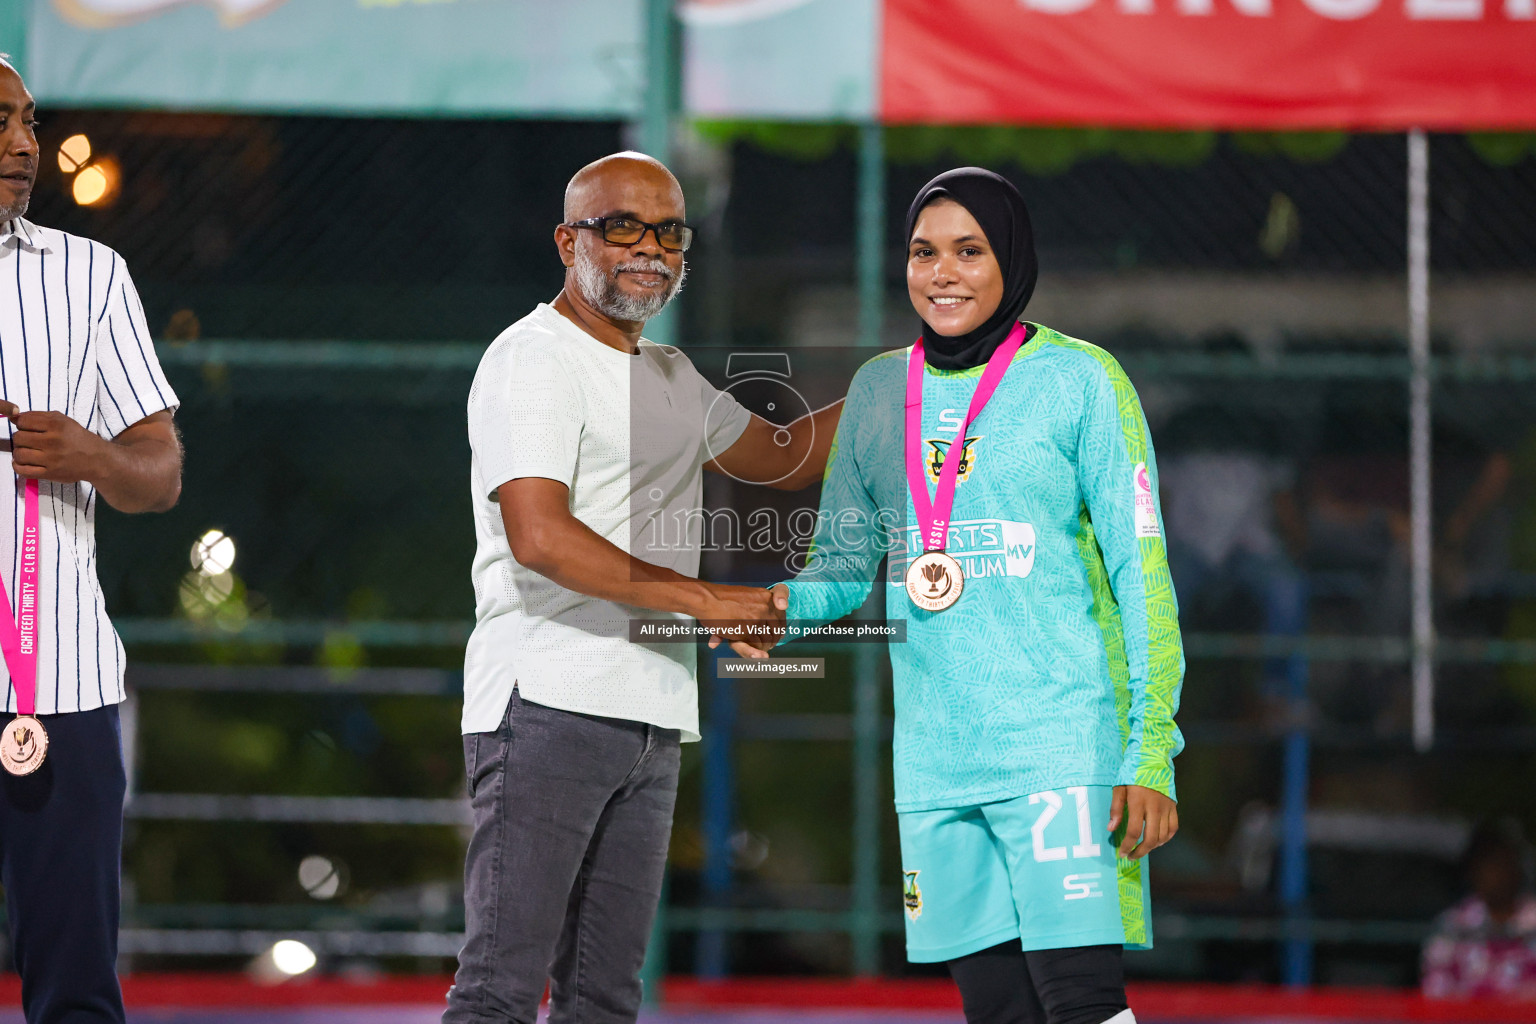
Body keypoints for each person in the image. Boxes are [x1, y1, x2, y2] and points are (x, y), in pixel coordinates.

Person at [724, 168, 1183, 1024]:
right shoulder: (875, 394)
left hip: (1060, 748)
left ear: (1012, 258)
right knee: (999, 1013)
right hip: (937, 763)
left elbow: (1142, 577)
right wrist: (783, 612)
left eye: (970, 251)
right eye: (923, 252)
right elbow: (842, 567)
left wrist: (1149, 752)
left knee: (1080, 1002)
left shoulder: (1081, 382)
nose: (943, 273)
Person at [446, 152, 840, 1024]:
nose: (650, 248)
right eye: (621, 226)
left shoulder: (666, 373)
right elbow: (538, 536)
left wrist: (916, 381)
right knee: (498, 996)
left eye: (669, 232)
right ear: (567, 241)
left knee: (603, 1002)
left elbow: (786, 455)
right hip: (547, 702)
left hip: (650, 715)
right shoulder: (535, 358)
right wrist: (707, 602)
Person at [0, 57, 184, 1024]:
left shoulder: (89, 276)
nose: (25, 145)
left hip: (60, 688)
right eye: (1, 123)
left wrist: (92, 456)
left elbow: (161, 472)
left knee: (75, 997)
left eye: (29, 122)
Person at [1422, 818, 1536, 1000]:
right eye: (1487, 866)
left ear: (1517, 867)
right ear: (1473, 872)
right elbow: (1436, 996)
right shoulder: (1453, 925)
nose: (1496, 874)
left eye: (1502, 863)